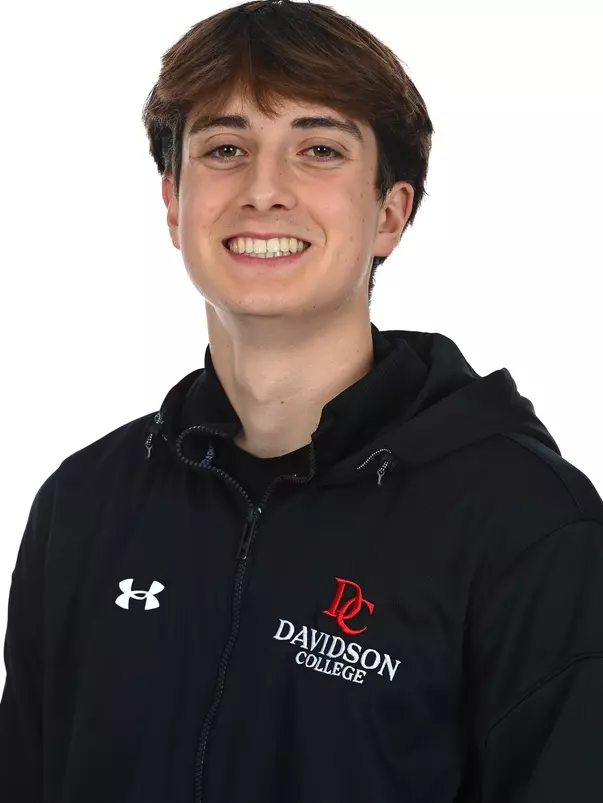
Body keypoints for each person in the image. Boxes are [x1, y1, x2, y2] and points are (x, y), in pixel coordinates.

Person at [2, 1, 603, 801]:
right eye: (225, 148)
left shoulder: (527, 524)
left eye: (318, 149)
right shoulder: (85, 503)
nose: (263, 191)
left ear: (390, 212)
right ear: (173, 204)